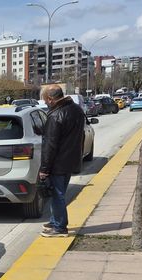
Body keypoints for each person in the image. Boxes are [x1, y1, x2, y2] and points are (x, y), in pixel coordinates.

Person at [38, 84, 86, 237]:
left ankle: (59, 227)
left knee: (57, 195)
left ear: (51, 99)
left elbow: (50, 145)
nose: (45, 103)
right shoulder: (76, 110)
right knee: (59, 193)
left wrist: (44, 169)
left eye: (46, 100)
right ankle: (54, 221)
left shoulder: (55, 116)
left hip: (58, 163)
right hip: (70, 159)